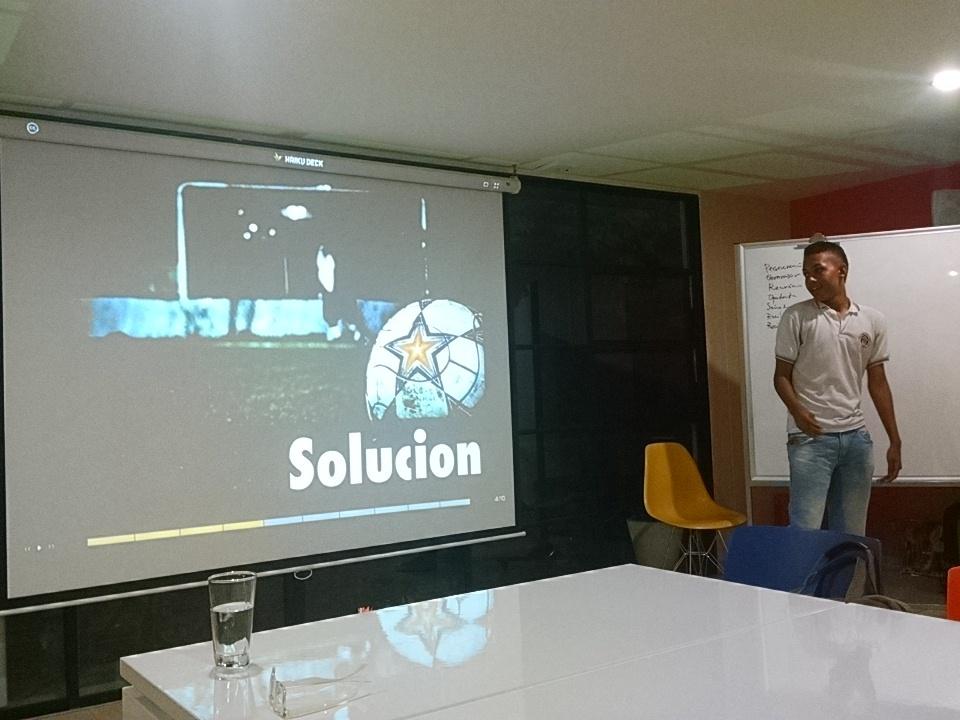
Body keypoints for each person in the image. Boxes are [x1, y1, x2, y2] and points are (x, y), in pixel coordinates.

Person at [773, 234, 901, 535]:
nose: (810, 279)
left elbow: (878, 383)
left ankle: (845, 571)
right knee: (805, 531)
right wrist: (798, 412)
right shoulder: (796, 317)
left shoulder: (872, 319)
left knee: (851, 534)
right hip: (811, 440)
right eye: (806, 273)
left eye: (818, 270)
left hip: (856, 439)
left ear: (841, 270)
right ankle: (802, 571)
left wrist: (894, 440)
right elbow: (781, 376)